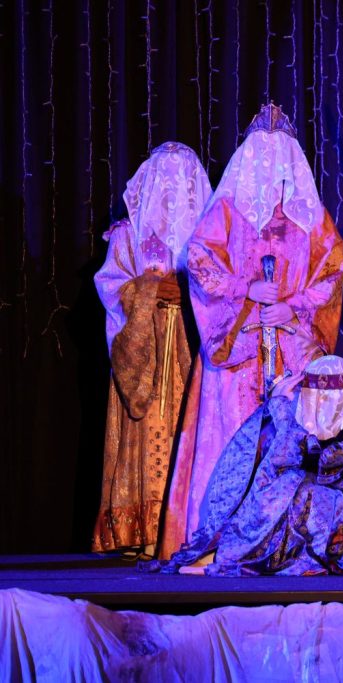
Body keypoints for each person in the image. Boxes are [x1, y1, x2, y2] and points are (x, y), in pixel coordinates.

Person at [159, 104, 343, 558]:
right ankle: (220, 543)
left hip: (290, 354)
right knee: (230, 444)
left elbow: (332, 273)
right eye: (263, 154)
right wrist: (245, 290)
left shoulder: (311, 218)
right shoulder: (226, 212)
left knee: (289, 444)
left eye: (280, 154)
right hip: (238, 355)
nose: (272, 164)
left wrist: (291, 308)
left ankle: (285, 545)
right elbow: (200, 264)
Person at [151, 356, 343, 576]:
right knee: (285, 482)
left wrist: (281, 410)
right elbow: (292, 455)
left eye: (321, 399)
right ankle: (229, 555)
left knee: (299, 490)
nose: (314, 407)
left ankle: (234, 559)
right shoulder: (332, 421)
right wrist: (276, 410)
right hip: (338, 511)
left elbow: (326, 465)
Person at [92, 142, 211, 555]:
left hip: (190, 344)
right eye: (165, 178)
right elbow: (111, 284)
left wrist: (187, 290)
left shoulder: (207, 236)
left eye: (183, 179)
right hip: (144, 349)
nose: (172, 188)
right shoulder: (128, 234)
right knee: (143, 436)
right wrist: (149, 289)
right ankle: (140, 533)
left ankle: (184, 531)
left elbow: (220, 286)